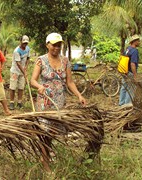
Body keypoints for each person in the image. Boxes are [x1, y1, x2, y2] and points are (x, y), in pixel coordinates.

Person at [30, 32, 86, 172]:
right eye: (54, 45)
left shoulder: (65, 61)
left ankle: (47, 154)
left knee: (55, 131)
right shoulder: (40, 60)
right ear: (47, 45)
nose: (56, 47)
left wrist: (79, 95)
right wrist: (39, 86)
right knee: (44, 132)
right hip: (45, 102)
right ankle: (45, 162)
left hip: (59, 102)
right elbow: (32, 80)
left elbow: (70, 82)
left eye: (59, 45)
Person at [9, 35, 30, 110]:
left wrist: (26, 68)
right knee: (13, 87)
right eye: (23, 42)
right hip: (15, 72)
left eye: (26, 43)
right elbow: (18, 63)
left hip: (22, 71)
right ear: (20, 41)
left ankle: (19, 102)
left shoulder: (28, 49)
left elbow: (28, 58)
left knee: (21, 87)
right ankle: (11, 102)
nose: (25, 44)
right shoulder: (16, 51)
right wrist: (24, 72)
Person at [118, 34, 140, 106]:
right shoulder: (134, 51)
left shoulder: (127, 49)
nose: (139, 42)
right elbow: (132, 64)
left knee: (124, 88)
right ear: (134, 42)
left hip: (124, 71)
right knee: (131, 88)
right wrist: (135, 75)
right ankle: (127, 105)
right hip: (130, 72)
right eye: (138, 41)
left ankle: (121, 103)